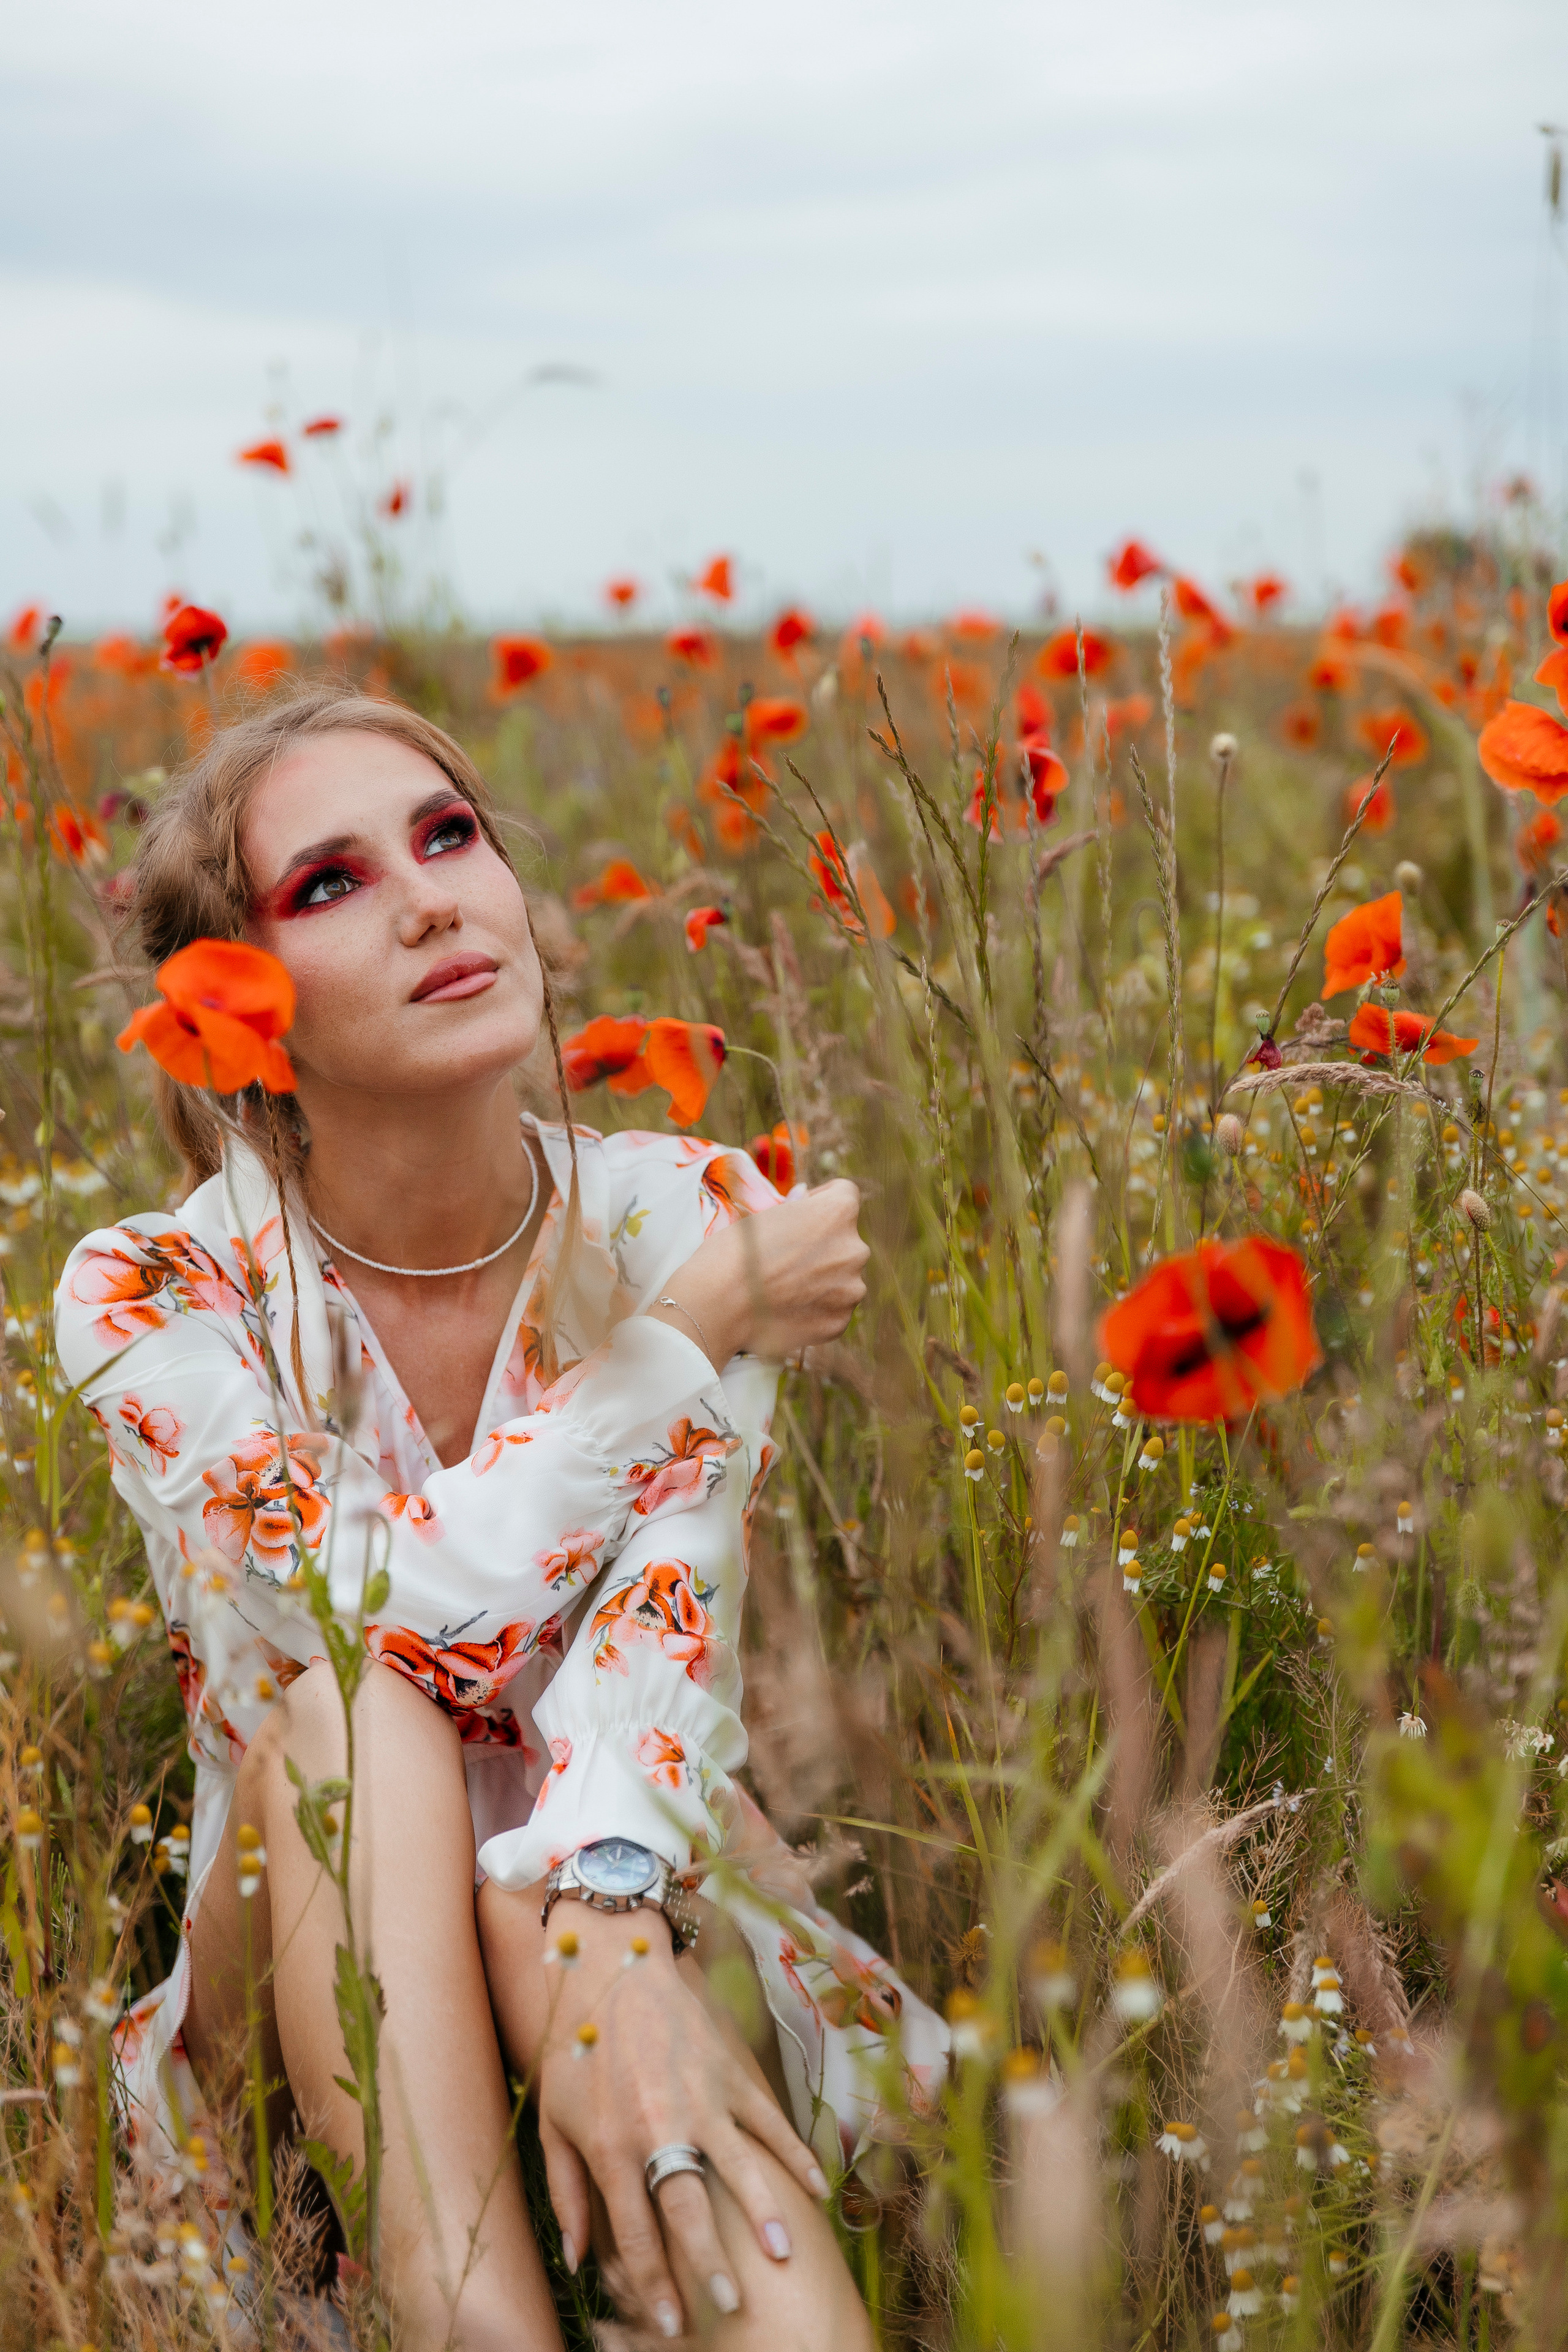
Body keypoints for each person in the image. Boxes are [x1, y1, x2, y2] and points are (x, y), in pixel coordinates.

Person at [55, 688, 946, 2351]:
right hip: (308, 1920)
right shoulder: (154, 1290)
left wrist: (607, 1923)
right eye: (328, 883)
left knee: (544, 1848)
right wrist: (678, 1340)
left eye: (449, 834)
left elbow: (660, 1629)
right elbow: (375, 1614)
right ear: (239, 1011)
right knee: (347, 1709)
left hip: (616, 1851)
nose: (430, 895)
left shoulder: (681, 1213)